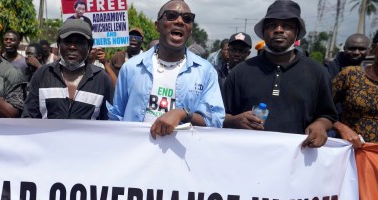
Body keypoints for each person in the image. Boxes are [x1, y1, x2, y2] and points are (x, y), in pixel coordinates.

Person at [222, 0, 337, 148]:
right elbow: (220, 116)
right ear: (263, 32)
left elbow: (328, 115)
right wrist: (234, 121)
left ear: (297, 33)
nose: (279, 30)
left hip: (297, 160)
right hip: (247, 158)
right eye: (271, 25)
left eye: (287, 26)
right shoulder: (240, 72)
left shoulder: (317, 72)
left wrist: (320, 125)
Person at [108, 0, 225, 139]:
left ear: (190, 29)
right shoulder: (132, 67)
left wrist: (184, 113)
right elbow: (117, 117)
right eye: (171, 16)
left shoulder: (205, 71)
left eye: (187, 19)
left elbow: (216, 121)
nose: (180, 21)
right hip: (136, 156)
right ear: (157, 25)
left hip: (182, 157)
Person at [21, 19, 112, 120]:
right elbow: (28, 118)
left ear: (89, 47)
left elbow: (108, 124)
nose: (72, 47)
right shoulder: (42, 75)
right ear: (59, 45)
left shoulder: (101, 79)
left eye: (79, 42)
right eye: (67, 41)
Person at [331, 32, 378, 149]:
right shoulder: (351, 75)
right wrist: (340, 127)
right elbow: (320, 108)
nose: (356, 52)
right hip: (350, 152)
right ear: (374, 49)